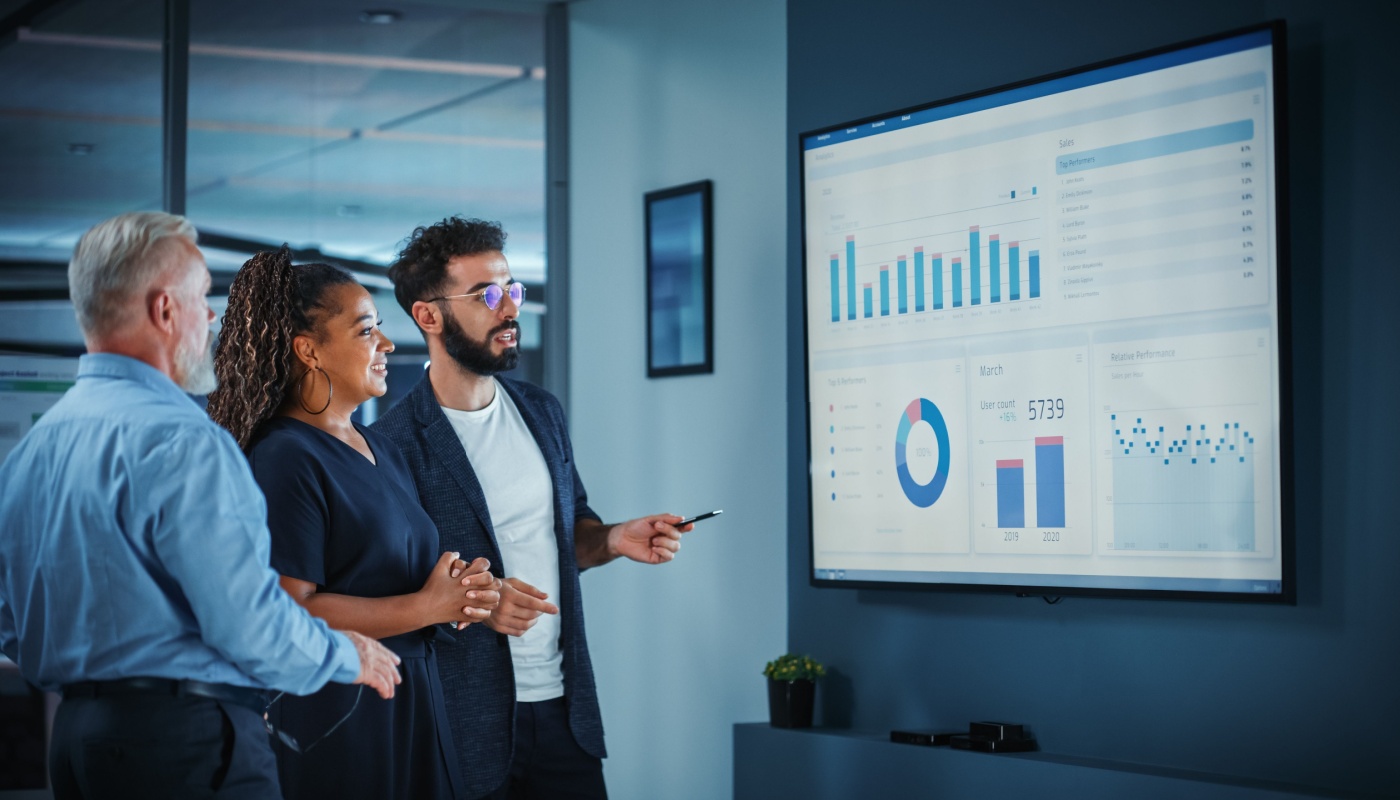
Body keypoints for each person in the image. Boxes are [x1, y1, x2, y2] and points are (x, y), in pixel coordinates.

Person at [0, 212, 402, 799]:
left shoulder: (33, 450)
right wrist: (347, 657)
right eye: (199, 300)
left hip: (76, 744)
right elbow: (247, 620)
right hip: (184, 745)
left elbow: (11, 621)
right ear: (164, 310)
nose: (211, 318)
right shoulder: (182, 440)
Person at [373, 216, 693, 799]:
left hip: (566, 714)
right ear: (428, 316)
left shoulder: (541, 411)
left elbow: (570, 534)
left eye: (512, 289)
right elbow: (393, 592)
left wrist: (615, 538)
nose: (509, 308)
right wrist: (478, 605)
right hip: (464, 726)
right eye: (487, 295)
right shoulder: (393, 444)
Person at [206, 247, 503, 800]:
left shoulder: (380, 449)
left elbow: (389, 575)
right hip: (342, 714)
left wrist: (460, 594)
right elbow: (290, 609)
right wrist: (425, 607)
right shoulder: (285, 458)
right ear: (309, 351)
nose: (387, 345)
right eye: (367, 331)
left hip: (412, 699)